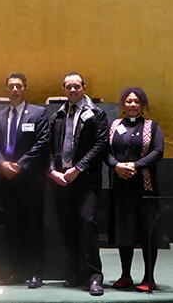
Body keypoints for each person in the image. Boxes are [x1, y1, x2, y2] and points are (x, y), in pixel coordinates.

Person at [48, 72, 108, 296]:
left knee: (86, 222)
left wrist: (79, 168)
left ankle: (94, 275)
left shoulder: (97, 114)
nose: (72, 90)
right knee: (68, 225)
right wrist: (53, 172)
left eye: (76, 86)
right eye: (68, 87)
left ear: (84, 87)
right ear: (63, 89)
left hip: (86, 180)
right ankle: (75, 271)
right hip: (62, 180)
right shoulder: (58, 116)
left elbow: (101, 144)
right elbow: (49, 146)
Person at [0, 72, 50, 289]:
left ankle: (36, 272)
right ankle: (16, 271)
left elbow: (43, 142)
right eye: (11, 86)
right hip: (7, 180)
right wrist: (2, 164)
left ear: (25, 88)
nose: (15, 90)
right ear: (6, 90)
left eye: (18, 86)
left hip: (30, 181)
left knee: (33, 227)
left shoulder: (38, 113)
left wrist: (20, 164)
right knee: (12, 228)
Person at [105, 87, 164, 293]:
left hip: (145, 189)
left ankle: (149, 278)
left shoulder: (152, 127)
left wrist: (135, 166)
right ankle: (125, 275)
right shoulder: (114, 126)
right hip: (120, 188)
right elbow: (106, 152)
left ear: (142, 105)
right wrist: (117, 166)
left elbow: (158, 151)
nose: (132, 104)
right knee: (124, 231)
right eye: (128, 101)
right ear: (123, 104)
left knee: (148, 232)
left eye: (136, 101)